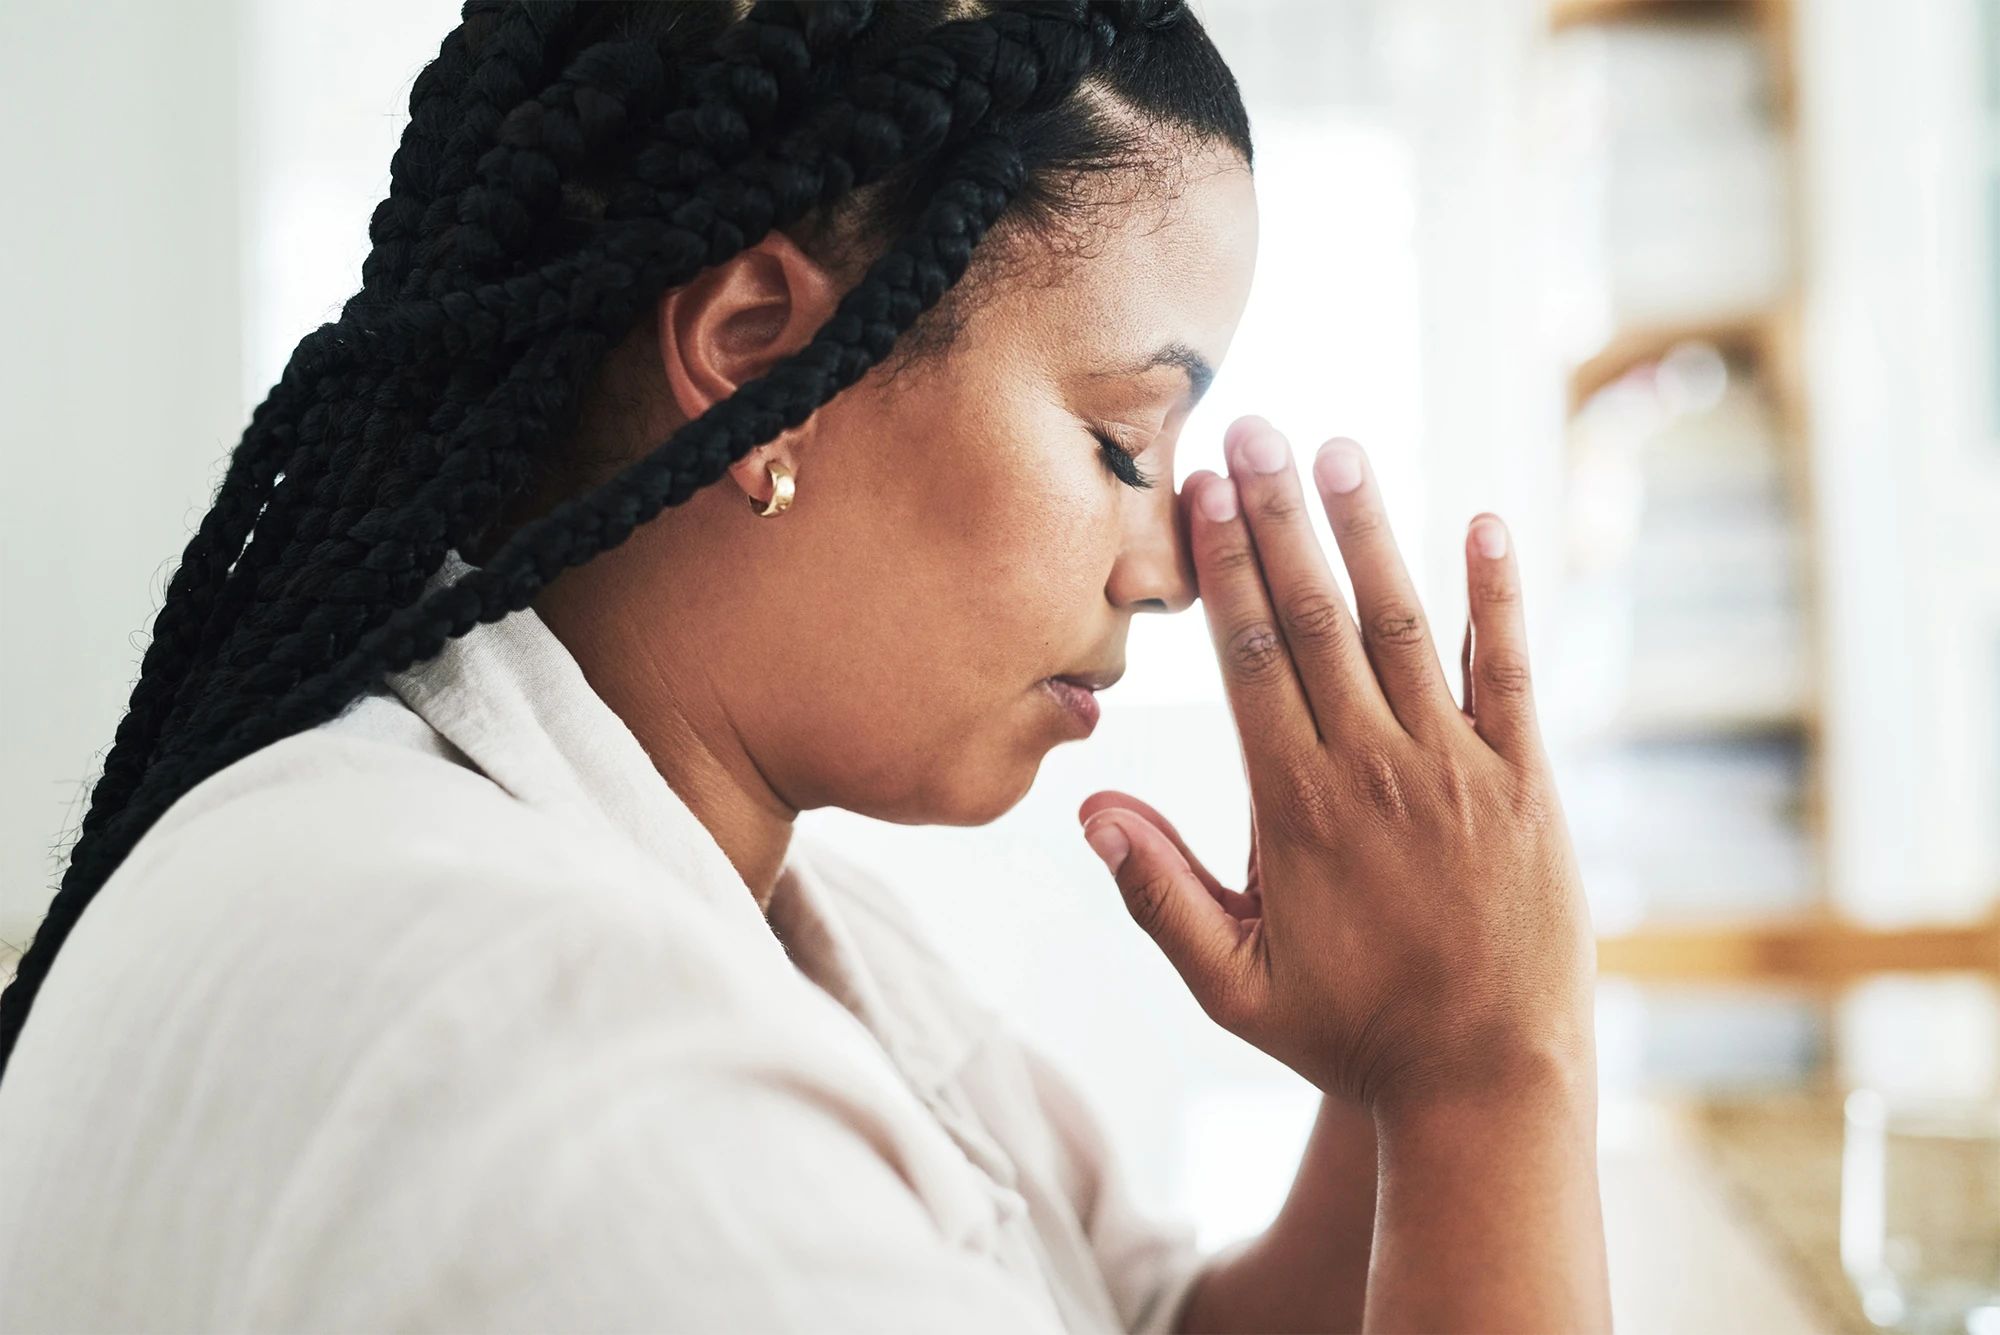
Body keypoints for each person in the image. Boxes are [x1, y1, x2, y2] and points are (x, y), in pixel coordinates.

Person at [0, 1, 1609, 1331]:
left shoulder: (723, 901)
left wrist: (1410, 1051)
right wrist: (1492, 1077)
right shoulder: (568, 1070)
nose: (1174, 560)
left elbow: (1142, 1319)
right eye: (1124, 440)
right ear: (759, 357)